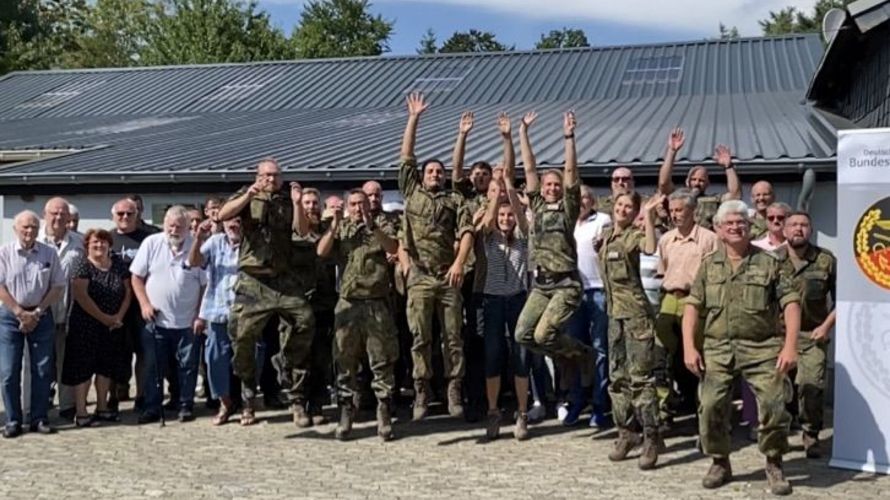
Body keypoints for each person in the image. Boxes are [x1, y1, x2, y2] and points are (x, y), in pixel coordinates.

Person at [682, 200, 800, 496]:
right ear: (719, 230)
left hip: (761, 347)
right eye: (729, 223)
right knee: (710, 406)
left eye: (741, 223)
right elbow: (693, 307)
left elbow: (791, 304)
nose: (736, 227)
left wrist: (789, 347)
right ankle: (720, 461)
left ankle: (773, 462)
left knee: (774, 404)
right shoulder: (709, 265)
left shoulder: (770, 262)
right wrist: (688, 347)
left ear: (750, 227)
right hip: (718, 347)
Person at [217, 158, 314, 426]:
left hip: (283, 279)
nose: (271, 180)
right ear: (258, 176)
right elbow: (222, 214)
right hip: (253, 280)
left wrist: (296, 202)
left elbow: (302, 231)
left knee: (305, 322)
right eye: (266, 175)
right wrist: (249, 194)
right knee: (242, 337)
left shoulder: (286, 199)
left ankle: (295, 396)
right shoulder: (246, 195)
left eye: (276, 175)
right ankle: (248, 396)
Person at [398, 93, 474, 421]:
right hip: (419, 275)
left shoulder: (454, 200)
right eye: (429, 170)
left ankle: (453, 389)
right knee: (420, 337)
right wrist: (414, 118)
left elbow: (468, 232)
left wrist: (459, 263)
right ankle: (421, 392)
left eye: (438, 171)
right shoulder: (411, 192)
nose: (434, 174)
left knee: (453, 336)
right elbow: (406, 156)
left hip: (446, 275)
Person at [514, 110, 591, 385]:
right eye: (548, 185)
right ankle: (567, 357)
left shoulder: (568, 209)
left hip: (565, 284)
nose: (551, 188)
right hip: (541, 285)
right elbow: (530, 169)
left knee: (542, 335)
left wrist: (569, 136)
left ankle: (581, 356)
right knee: (522, 334)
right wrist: (523, 132)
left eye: (555, 185)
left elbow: (571, 173)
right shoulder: (535, 205)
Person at [317, 189, 399, 440]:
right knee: (344, 360)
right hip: (348, 303)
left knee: (381, 360)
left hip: (376, 302)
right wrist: (334, 225)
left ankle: (383, 411)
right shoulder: (341, 227)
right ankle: (346, 410)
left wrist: (371, 225)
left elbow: (394, 246)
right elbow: (321, 252)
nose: (357, 209)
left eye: (361, 204)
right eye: (353, 204)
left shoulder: (382, 223)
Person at [452, 111, 516, 422]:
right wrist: (462, 134)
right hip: (474, 284)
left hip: (505, 284)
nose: (479, 178)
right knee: (476, 344)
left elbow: (512, 172)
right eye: (475, 175)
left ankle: (502, 396)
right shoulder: (466, 203)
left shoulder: (507, 208)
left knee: (503, 344)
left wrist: (507, 139)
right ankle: (476, 400)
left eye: (485, 175)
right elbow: (455, 170)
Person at [599, 192, 663, 469]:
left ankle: (651, 437)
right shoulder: (606, 234)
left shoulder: (634, 235)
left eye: (629, 207)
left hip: (636, 316)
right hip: (614, 316)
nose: (623, 210)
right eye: (620, 205)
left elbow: (650, 248)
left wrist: (647, 217)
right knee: (617, 378)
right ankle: (626, 432)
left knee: (641, 380)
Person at [130, 205, 208, 423]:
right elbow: (136, 277)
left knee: (188, 366)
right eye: (171, 225)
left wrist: (200, 315)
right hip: (156, 319)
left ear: (187, 227)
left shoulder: (196, 246)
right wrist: (144, 304)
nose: (174, 230)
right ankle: (152, 406)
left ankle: (185, 404)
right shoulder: (151, 243)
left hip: (187, 320)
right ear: (164, 225)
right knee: (153, 365)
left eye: (179, 226)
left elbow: (204, 285)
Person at [653, 189, 720, 426]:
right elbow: (663, 271)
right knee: (661, 358)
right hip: (670, 298)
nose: (675, 215)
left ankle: (704, 415)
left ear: (693, 211)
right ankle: (664, 412)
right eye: (672, 211)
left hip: (696, 301)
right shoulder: (666, 239)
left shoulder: (710, 239)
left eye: (680, 210)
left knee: (697, 358)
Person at [189, 216, 262, 426]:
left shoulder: (254, 241)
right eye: (230, 220)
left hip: (248, 311)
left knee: (250, 357)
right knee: (215, 358)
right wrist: (198, 239)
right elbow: (194, 262)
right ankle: (226, 403)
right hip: (218, 311)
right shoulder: (215, 241)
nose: (234, 225)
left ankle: (248, 403)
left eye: (239, 220)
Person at [0, 210, 65, 437]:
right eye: (25, 227)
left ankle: (39, 417)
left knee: (42, 369)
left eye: (34, 228)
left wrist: (36, 312)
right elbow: (0, 287)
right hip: (10, 316)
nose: (29, 231)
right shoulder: (4, 253)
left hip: (41, 314)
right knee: (9, 371)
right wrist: (19, 312)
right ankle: (13, 420)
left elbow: (57, 286)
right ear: (16, 229)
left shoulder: (49, 253)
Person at [478, 173, 533, 440]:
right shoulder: (490, 238)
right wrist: (496, 191)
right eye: (502, 216)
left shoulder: (522, 235)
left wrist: (509, 187)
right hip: (493, 301)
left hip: (518, 299)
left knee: (521, 357)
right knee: (493, 357)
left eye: (509, 215)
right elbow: (487, 221)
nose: (506, 219)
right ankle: (493, 412)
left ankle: (522, 413)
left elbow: (523, 218)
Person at [63, 229, 132, 426]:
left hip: (112, 325)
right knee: (83, 369)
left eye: (103, 242)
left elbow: (128, 291)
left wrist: (118, 316)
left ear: (110, 245)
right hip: (85, 326)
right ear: (87, 245)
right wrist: (104, 318)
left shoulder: (118, 265)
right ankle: (82, 412)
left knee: (105, 368)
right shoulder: (82, 265)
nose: (99, 246)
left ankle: (102, 407)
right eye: (95, 242)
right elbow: (81, 296)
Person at [782, 211, 836, 459]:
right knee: (777, 388)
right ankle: (777, 433)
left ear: (810, 230)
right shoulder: (770, 260)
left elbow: (842, 298)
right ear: (784, 230)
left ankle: (811, 434)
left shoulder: (825, 260)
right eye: (793, 225)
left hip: (811, 335)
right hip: (778, 337)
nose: (798, 229)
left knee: (811, 386)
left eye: (804, 225)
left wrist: (826, 327)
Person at [564, 185, 612, 428]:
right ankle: (576, 401)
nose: (581, 201)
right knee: (572, 349)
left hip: (598, 290)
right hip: (572, 292)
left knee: (599, 350)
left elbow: (605, 243)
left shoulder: (602, 219)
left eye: (585, 197)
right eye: (577, 197)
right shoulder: (566, 220)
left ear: (592, 201)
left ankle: (600, 406)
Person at [39, 197, 84, 422]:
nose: (58, 218)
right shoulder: (34, 241)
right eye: (53, 213)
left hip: (70, 312)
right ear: (44, 215)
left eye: (62, 214)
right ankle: (38, 405)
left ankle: (67, 406)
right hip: (40, 314)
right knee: (40, 363)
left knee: (68, 361)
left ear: (69, 218)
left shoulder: (80, 242)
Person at [109, 198, 153, 410]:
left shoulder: (149, 238)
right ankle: (114, 394)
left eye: (129, 213)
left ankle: (142, 394)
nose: (125, 217)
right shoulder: (106, 239)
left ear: (137, 214)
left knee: (144, 351)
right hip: (114, 307)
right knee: (116, 353)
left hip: (141, 305)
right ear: (113, 216)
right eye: (120, 214)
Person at [300, 187, 338, 426]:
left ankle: (317, 405)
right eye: (307, 203)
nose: (312, 207)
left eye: (315, 203)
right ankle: (299, 403)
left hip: (324, 302)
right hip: (298, 301)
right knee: (298, 357)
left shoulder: (329, 232)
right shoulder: (293, 233)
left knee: (320, 358)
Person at [656, 128, 741, 229]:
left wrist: (728, 166)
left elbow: (735, 195)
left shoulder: (714, 200)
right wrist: (672, 151)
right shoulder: (676, 198)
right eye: (694, 179)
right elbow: (663, 182)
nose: (697, 183)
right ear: (687, 181)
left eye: (701, 180)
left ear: (707, 184)